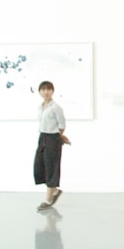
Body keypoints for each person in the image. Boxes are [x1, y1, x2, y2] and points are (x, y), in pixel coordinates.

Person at [34, 80, 70, 211]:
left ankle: (48, 200)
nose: (46, 92)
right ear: (39, 92)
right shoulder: (40, 106)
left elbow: (62, 125)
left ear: (52, 91)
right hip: (42, 137)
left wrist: (59, 137)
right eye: (43, 89)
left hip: (53, 138)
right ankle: (54, 191)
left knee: (51, 168)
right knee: (40, 166)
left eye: (48, 89)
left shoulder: (56, 107)